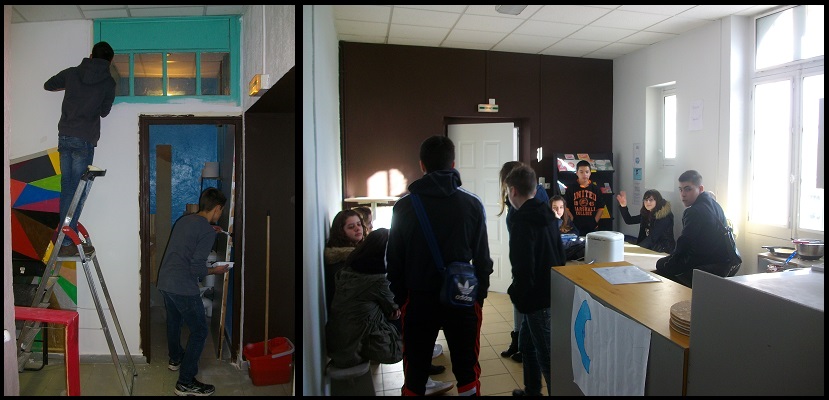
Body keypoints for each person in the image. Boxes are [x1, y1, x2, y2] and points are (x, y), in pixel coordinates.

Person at [386, 135, 493, 396]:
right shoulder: (472, 204)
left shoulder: (404, 207)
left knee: (415, 372)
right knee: (467, 370)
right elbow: (483, 259)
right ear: (453, 164)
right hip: (462, 296)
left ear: (422, 165)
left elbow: (394, 261)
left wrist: (402, 299)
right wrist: (478, 297)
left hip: (418, 299)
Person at [156, 187, 230, 396]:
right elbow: (197, 269)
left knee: (174, 321)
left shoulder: (184, 220)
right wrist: (215, 270)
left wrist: (210, 229)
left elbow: (188, 241)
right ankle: (186, 382)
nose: (220, 214)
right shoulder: (206, 231)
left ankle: (175, 359)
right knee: (200, 331)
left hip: (166, 282)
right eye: (221, 211)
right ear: (217, 208)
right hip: (182, 286)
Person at [44, 41, 116, 257]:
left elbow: (48, 85)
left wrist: (71, 86)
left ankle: (66, 237)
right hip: (84, 140)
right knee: (78, 190)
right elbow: (104, 112)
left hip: (65, 136)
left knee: (68, 188)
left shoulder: (72, 73)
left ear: (91, 55)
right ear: (110, 61)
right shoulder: (108, 82)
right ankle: (67, 239)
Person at [504, 164, 566, 396]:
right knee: (527, 346)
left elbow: (522, 265)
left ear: (513, 191)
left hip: (535, 299)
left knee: (545, 354)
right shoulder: (548, 214)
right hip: (549, 290)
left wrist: (517, 294)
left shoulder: (521, 221)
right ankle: (532, 391)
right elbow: (560, 255)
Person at [496, 161, 549, 364]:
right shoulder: (516, 203)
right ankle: (518, 341)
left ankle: (521, 343)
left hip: (533, 272)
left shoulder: (535, 201)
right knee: (526, 318)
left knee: (543, 350)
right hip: (526, 266)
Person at [326, 228, 403, 368]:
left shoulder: (350, 269)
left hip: (339, 343)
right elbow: (394, 308)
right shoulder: (377, 280)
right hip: (354, 350)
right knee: (408, 315)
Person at [654, 170, 734, 288]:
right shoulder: (715, 205)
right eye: (680, 189)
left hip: (705, 264)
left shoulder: (694, 211)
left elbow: (684, 244)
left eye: (688, 189)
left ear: (700, 189)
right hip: (724, 263)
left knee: (661, 265)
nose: (683, 194)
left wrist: (669, 263)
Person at [324, 209, 366, 313]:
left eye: (359, 224)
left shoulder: (361, 253)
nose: (357, 228)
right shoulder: (343, 260)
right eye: (351, 227)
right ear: (341, 232)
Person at [616, 189, 676, 254]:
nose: (648, 202)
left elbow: (652, 237)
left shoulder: (664, 216)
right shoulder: (647, 213)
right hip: (650, 247)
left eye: (651, 200)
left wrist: (636, 249)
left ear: (657, 201)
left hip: (663, 250)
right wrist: (623, 206)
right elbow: (629, 220)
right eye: (645, 200)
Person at [564, 160, 606, 236]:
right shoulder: (571, 189)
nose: (584, 174)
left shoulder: (595, 189)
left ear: (590, 173)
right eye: (581, 172)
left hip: (592, 226)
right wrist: (572, 219)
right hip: (575, 226)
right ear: (577, 173)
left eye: (587, 172)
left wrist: (595, 221)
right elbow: (566, 207)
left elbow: (601, 208)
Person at [550, 195, 585, 261]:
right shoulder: (548, 222)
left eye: (561, 207)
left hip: (569, 250)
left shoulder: (566, 220)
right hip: (556, 253)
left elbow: (576, 234)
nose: (558, 210)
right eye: (555, 207)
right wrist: (557, 219)